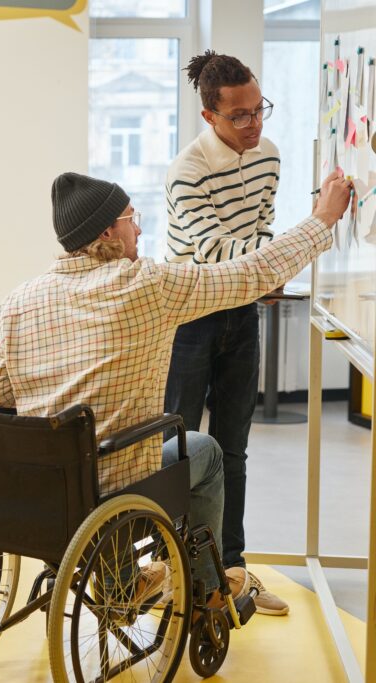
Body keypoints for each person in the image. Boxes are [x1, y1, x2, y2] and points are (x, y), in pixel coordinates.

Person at [0, 171, 352, 608]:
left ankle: (123, 581)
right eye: (130, 217)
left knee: (95, 454)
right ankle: (205, 588)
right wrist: (323, 218)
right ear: (107, 231)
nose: (138, 227)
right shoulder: (147, 285)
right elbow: (252, 272)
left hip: (40, 491)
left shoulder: (20, 299)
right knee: (206, 451)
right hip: (113, 492)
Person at [165, 51, 286, 614]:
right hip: (189, 315)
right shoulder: (186, 170)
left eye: (259, 109)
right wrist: (278, 263)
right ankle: (170, 570)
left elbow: (260, 228)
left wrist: (268, 264)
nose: (254, 124)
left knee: (233, 450)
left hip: (242, 312)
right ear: (209, 114)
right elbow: (214, 252)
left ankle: (231, 571)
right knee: (180, 452)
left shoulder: (269, 156)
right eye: (239, 115)